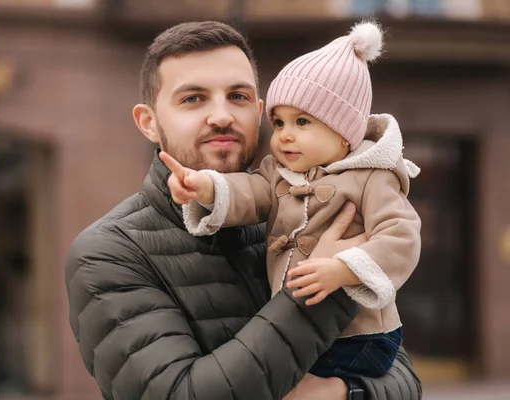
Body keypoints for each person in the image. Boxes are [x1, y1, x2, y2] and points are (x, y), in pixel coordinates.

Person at [65, 20, 422, 399]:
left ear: (259, 110)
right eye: (193, 99)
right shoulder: (108, 253)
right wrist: (325, 289)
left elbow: (401, 375)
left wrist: (340, 393)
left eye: (237, 96)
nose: (221, 116)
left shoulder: (297, 209)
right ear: (148, 123)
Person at [160, 21, 421, 380]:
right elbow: (249, 192)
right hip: (303, 333)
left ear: (344, 133)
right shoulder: (278, 172)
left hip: (361, 336)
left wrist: (345, 269)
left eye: (302, 122)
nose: (285, 136)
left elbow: (401, 236)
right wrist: (205, 187)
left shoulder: (372, 177)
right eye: (279, 123)